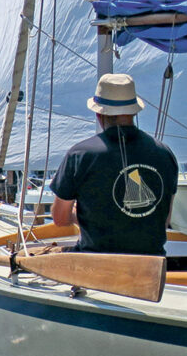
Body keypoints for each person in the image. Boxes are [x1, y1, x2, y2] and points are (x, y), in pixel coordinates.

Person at [50, 73, 178, 255]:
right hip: (150, 267)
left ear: (98, 114)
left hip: (97, 266)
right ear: (134, 112)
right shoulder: (165, 154)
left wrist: (86, 216)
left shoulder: (79, 155)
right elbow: (163, 220)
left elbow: (60, 219)